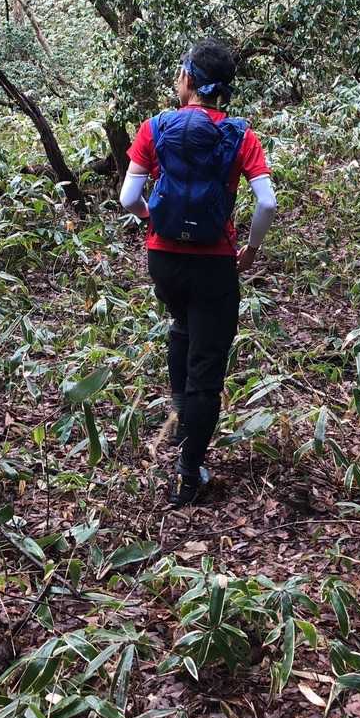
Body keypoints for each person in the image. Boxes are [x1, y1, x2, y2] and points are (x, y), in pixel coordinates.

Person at [119, 39, 277, 506]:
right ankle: (189, 472)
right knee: (206, 363)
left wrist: (152, 217)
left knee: (181, 325)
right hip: (214, 263)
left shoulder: (154, 127)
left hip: (164, 261)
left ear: (188, 78)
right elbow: (266, 203)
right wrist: (251, 248)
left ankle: (181, 415)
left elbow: (128, 199)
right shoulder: (240, 135)